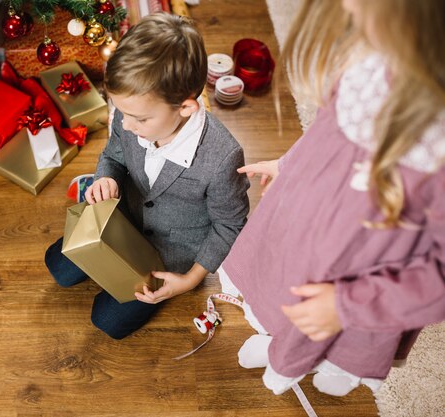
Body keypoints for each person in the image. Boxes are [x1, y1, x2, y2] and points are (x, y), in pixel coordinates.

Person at [219, 0, 445, 397]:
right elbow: (328, 133)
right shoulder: (369, 56)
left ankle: (336, 369)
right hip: (305, 230)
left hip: (362, 278)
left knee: (334, 333)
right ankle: (281, 345)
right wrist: (289, 165)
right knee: (284, 293)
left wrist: (346, 305)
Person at [45, 13, 249, 340]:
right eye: (121, 112)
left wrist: (192, 279)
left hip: (170, 253)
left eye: (137, 118)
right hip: (121, 220)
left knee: (108, 322)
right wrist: (106, 178)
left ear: (185, 108)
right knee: (57, 266)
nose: (125, 125)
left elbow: (230, 224)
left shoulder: (223, 157)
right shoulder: (131, 116)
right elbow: (113, 153)